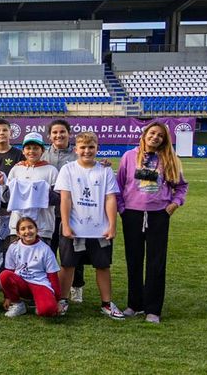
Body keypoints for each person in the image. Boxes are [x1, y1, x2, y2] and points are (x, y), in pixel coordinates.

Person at [117, 122, 188, 323]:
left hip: (158, 215)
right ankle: (134, 304)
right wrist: (123, 209)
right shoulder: (129, 157)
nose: (155, 137)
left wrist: (174, 205)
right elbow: (119, 184)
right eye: (152, 133)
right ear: (145, 134)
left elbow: (181, 186)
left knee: (156, 262)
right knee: (134, 260)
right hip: (132, 215)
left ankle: (153, 309)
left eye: (160, 135)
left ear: (164, 140)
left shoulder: (169, 159)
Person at [55, 131, 124, 319]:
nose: (87, 151)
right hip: (75, 228)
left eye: (91, 147)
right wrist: (66, 224)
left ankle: (107, 304)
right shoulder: (68, 169)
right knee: (67, 265)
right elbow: (65, 199)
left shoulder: (105, 171)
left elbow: (110, 198)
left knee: (103, 266)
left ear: (97, 149)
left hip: (99, 229)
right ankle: (62, 300)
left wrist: (112, 225)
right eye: (83, 147)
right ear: (76, 149)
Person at [41, 118, 86, 303]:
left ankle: (77, 286)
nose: (59, 135)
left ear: (69, 133)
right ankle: (49, 285)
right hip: (49, 213)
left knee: (75, 252)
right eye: (55, 132)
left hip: (75, 213)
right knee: (49, 251)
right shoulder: (43, 155)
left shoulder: (78, 155)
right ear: (49, 136)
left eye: (62, 132)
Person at [0, 217, 62, 318]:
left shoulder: (45, 249)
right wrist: (7, 297)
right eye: (23, 229)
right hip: (21, 283)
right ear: (18, 233)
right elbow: (9, 270)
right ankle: (18, 305)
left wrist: (58, 300)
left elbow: (53, 276)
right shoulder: (13, 247)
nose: (27, 231)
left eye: (30, 227)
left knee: (48, 311)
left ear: (36, 230)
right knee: (4, 275)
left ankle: (41, 303)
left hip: (40, 284)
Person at [6, 132, 59, 245]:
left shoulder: (51, 170)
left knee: (42, 260)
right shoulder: (16, 169)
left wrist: (39, 190)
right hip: (17, 227)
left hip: (43, 228)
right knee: (16, 260)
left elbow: (58, 198)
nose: (31, 151)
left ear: (42, 150)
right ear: (23, 151)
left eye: (36, 148)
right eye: (28, 148)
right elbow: (6, 197)